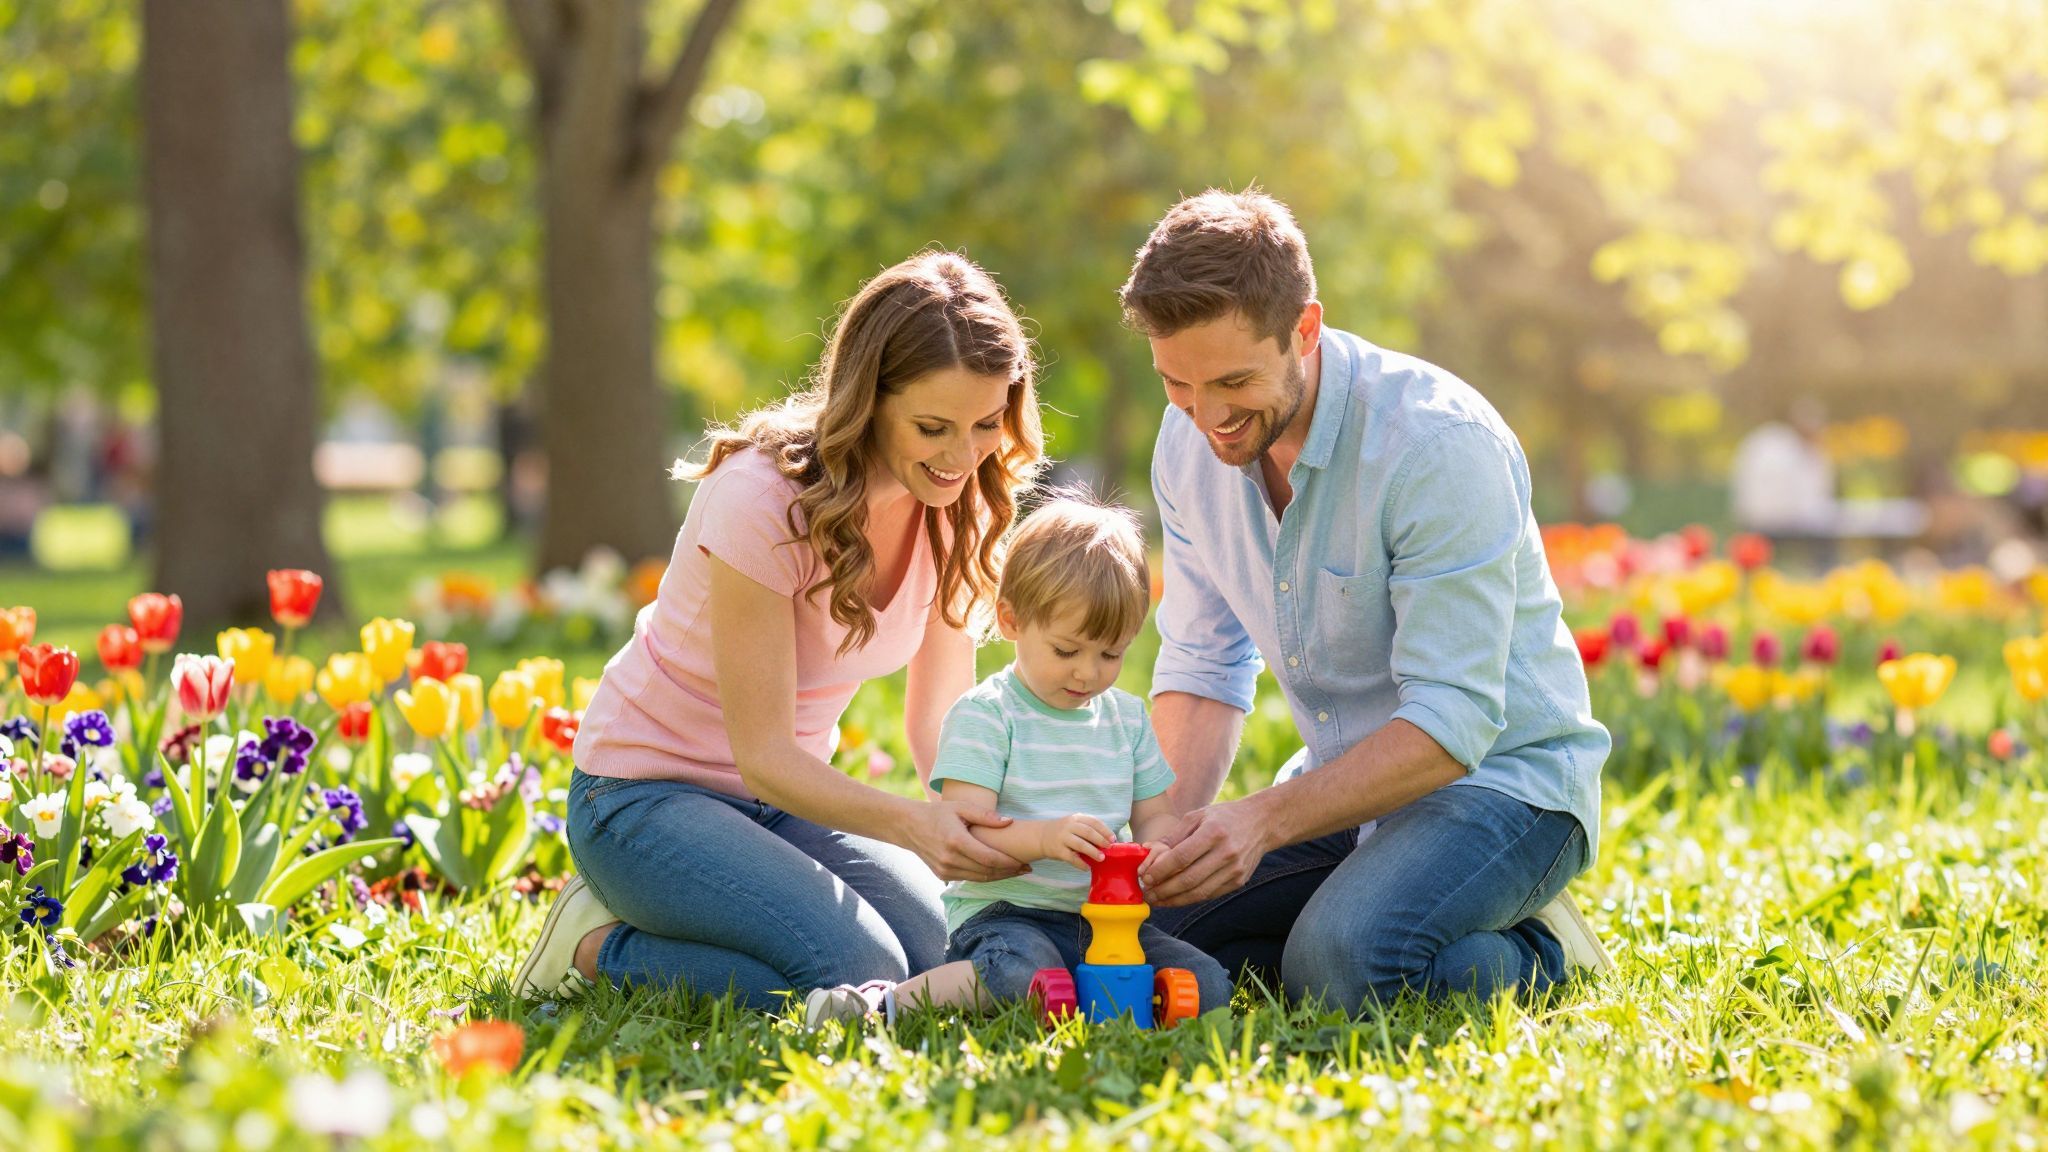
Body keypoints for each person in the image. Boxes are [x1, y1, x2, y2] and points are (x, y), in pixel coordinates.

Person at [515, 251, 1046, 1006]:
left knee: (943, 952)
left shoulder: (961, 506)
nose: (963, 455)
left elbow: (941, 721)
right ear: (869, 400)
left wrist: (978, 820)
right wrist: (911, 826)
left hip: (787, 807)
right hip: (642, 800)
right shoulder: (763, 500)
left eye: (987, 423)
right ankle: (594, 948)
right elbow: (761, 755)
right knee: (858, 969)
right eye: (933, 426)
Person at [1125, 189, 1613, 1010]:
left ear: (1304, 331)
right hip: (1344, 794)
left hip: (1504, 788)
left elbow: (1452, 724)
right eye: (1178, 382)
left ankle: (1544, 948)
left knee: (1341, 964)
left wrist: (1262, 822)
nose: (1207, 417)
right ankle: (1377, 912)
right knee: (1143, 935)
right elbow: (1205, 663)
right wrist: (1160, 841)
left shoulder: (1435, 446)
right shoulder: (1187, 445)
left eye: (1233, 380)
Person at [803, 497, 1232, 1026]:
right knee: (1015, 970)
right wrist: (1045, 839)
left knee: (1206, 981)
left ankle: (1076, 996)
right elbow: (967, 832)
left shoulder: (1126, 718)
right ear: (1011, 619)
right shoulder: (988, 716)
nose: (1088, 674)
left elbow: (1155, 817)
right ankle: (880, 1007)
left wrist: (1164, 848)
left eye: (1110, 654)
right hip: (1008, 916)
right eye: (1066, 650)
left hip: (1105, 918)